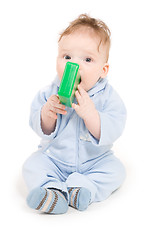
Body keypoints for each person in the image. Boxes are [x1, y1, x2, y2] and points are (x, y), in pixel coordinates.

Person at [22, 14, 127, 214]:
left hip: (94, 162)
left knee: (117, 171)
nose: (74, 65)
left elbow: (115, 127)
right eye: (67, 57)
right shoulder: (49, 92)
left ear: (103, 70)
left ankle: (82, 188)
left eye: (87, 59)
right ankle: (52, 192)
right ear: (57, 60)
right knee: (32, 165)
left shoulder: (108, 97)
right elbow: (39, 125)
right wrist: (47, 115)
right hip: (55, 159)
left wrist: (92, 115)